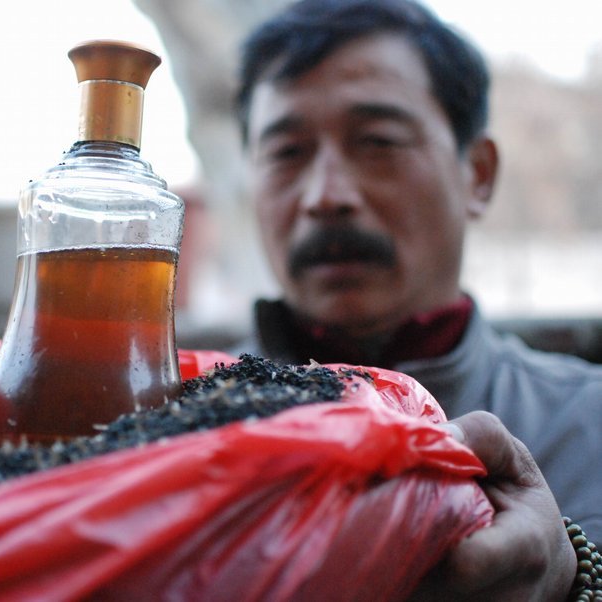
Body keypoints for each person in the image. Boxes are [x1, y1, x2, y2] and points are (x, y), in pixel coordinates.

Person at [231, 0, 601, 597]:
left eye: (378, 141)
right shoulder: (156, 425)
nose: (326, 196)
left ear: (477, 175)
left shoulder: (588, 426)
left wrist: (575, 580)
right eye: (286, 153)